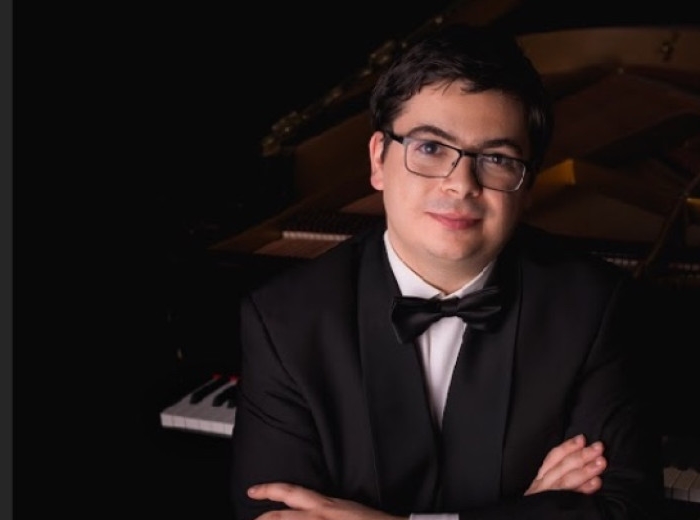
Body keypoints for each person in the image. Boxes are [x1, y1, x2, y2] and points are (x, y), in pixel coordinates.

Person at [229, 22, 663, 520]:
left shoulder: (593, 308)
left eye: (496, 157)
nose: (461, 184)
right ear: (378, 159)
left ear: (526, 186)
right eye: (431, 148)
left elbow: (623, 511)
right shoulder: (283, 320)